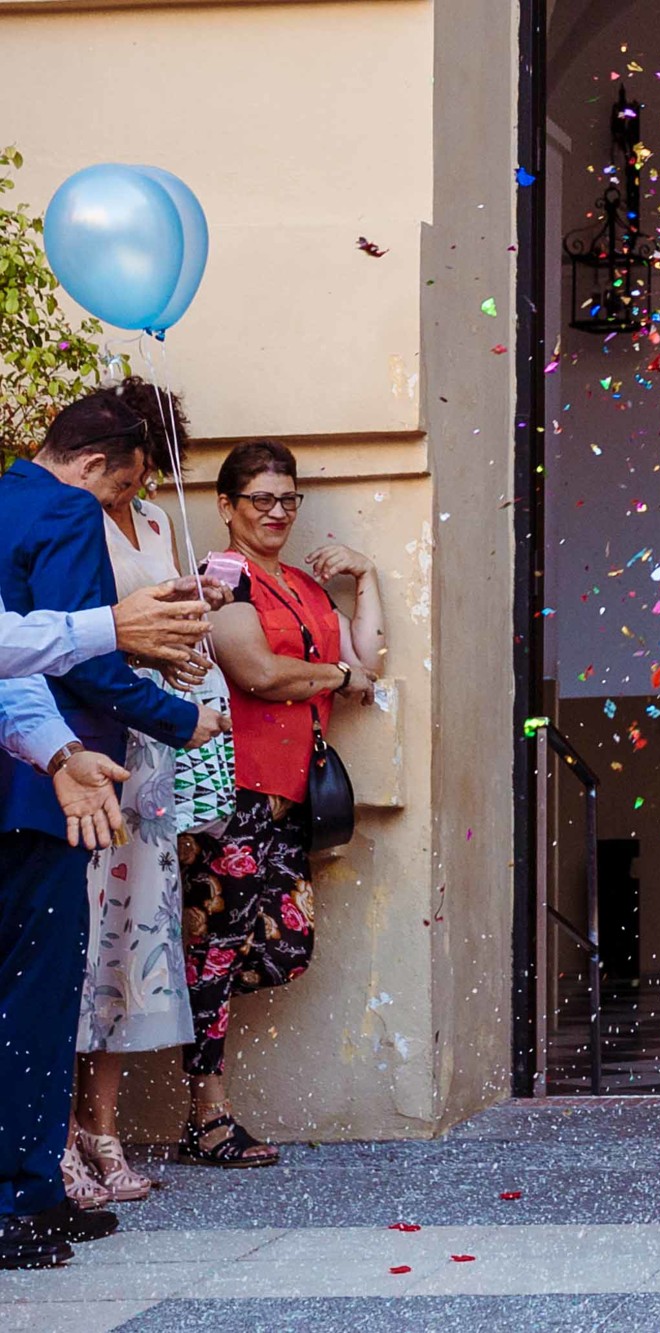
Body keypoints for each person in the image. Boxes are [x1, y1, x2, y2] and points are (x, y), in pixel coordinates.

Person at [0, 391, 228, 1271]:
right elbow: (75, 660)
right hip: (39, 797)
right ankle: (23, 1191)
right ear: (96, 466)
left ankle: (35, 1185)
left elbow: (16, 658)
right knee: (38, 991)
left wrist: (57, 749)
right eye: (123, 488)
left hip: (47, 765)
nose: (119, 507)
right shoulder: (62, 508)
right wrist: (178, 716)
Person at [190, 440, 383, 1167]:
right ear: (227, 507)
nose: (277, 512)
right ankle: (208, 1113)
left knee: (281, 946)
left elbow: (365, 664)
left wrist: (365, 580)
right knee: (215, 949)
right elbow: (259, 672)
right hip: (237, 792)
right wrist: (333, 674)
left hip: (293, 795)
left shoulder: (302, 585)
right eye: (261, 499)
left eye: (288, 498)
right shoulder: (223, 579)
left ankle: (201, 1072)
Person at [67, 378, 211, 1207]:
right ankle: (54, 1135)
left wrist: (194, 619)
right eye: (135, 470)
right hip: (90, 740)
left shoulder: (154, 521)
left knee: (129, 941)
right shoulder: (71, 515)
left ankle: (104, 1124)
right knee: (75, 941)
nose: (143, 485)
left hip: (150, 746)